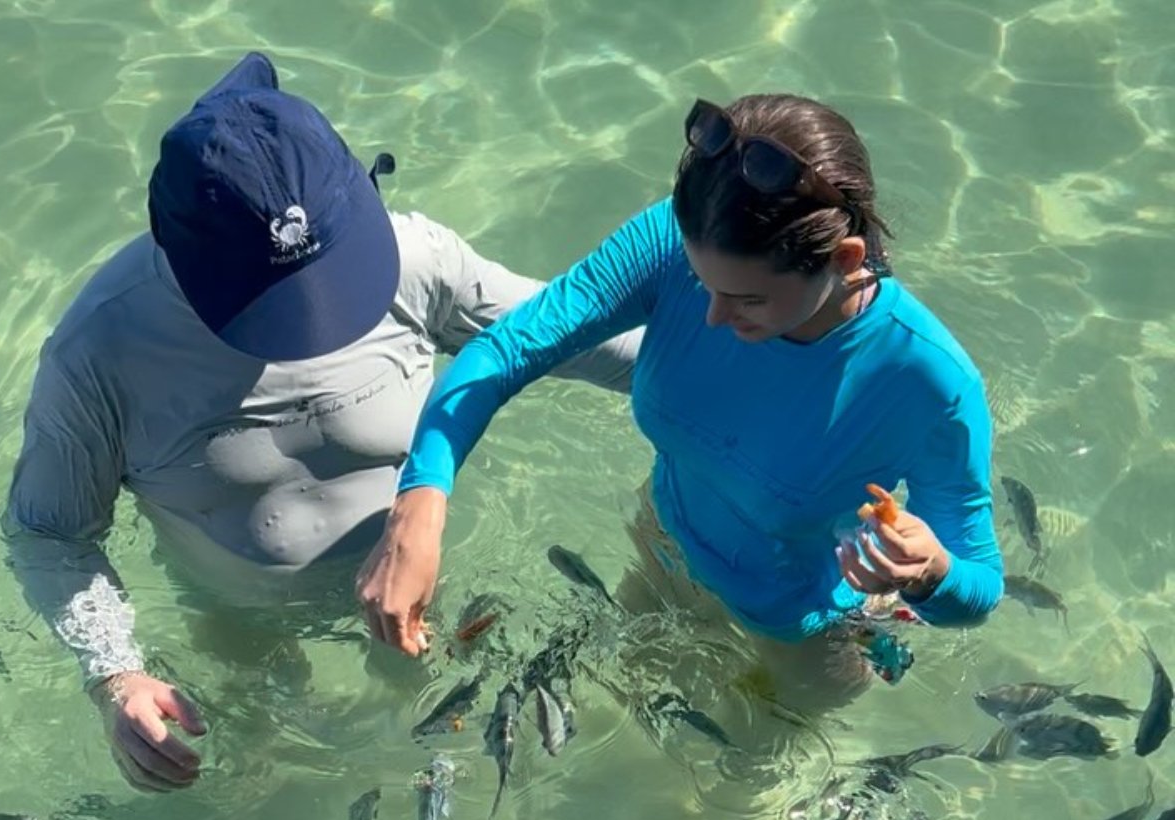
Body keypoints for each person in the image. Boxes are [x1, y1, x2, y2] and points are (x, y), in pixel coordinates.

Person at [0, 51, 640, 793]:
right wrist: (116, 675)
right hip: (237, 626)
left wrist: (778, 385)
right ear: (178, 251)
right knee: (266, 797)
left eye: (329, 280)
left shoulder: (415, 258)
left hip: (418, 600)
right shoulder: (103, 348)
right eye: (275, 301)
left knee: (431, 765)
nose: (316, 323)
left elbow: (587, 336)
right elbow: (50, 534)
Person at [359, 93, 1005, 706]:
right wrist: (421, 502)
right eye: (702, 283)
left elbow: (978, 590)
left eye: (748, 299)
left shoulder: (929, 382)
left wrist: (930, 572)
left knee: (743, 805)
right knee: (630, 740)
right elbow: (504, 351)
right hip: (662, 547)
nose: (714, 315)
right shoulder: (673, 241)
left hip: (798, 632)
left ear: (845, 257)